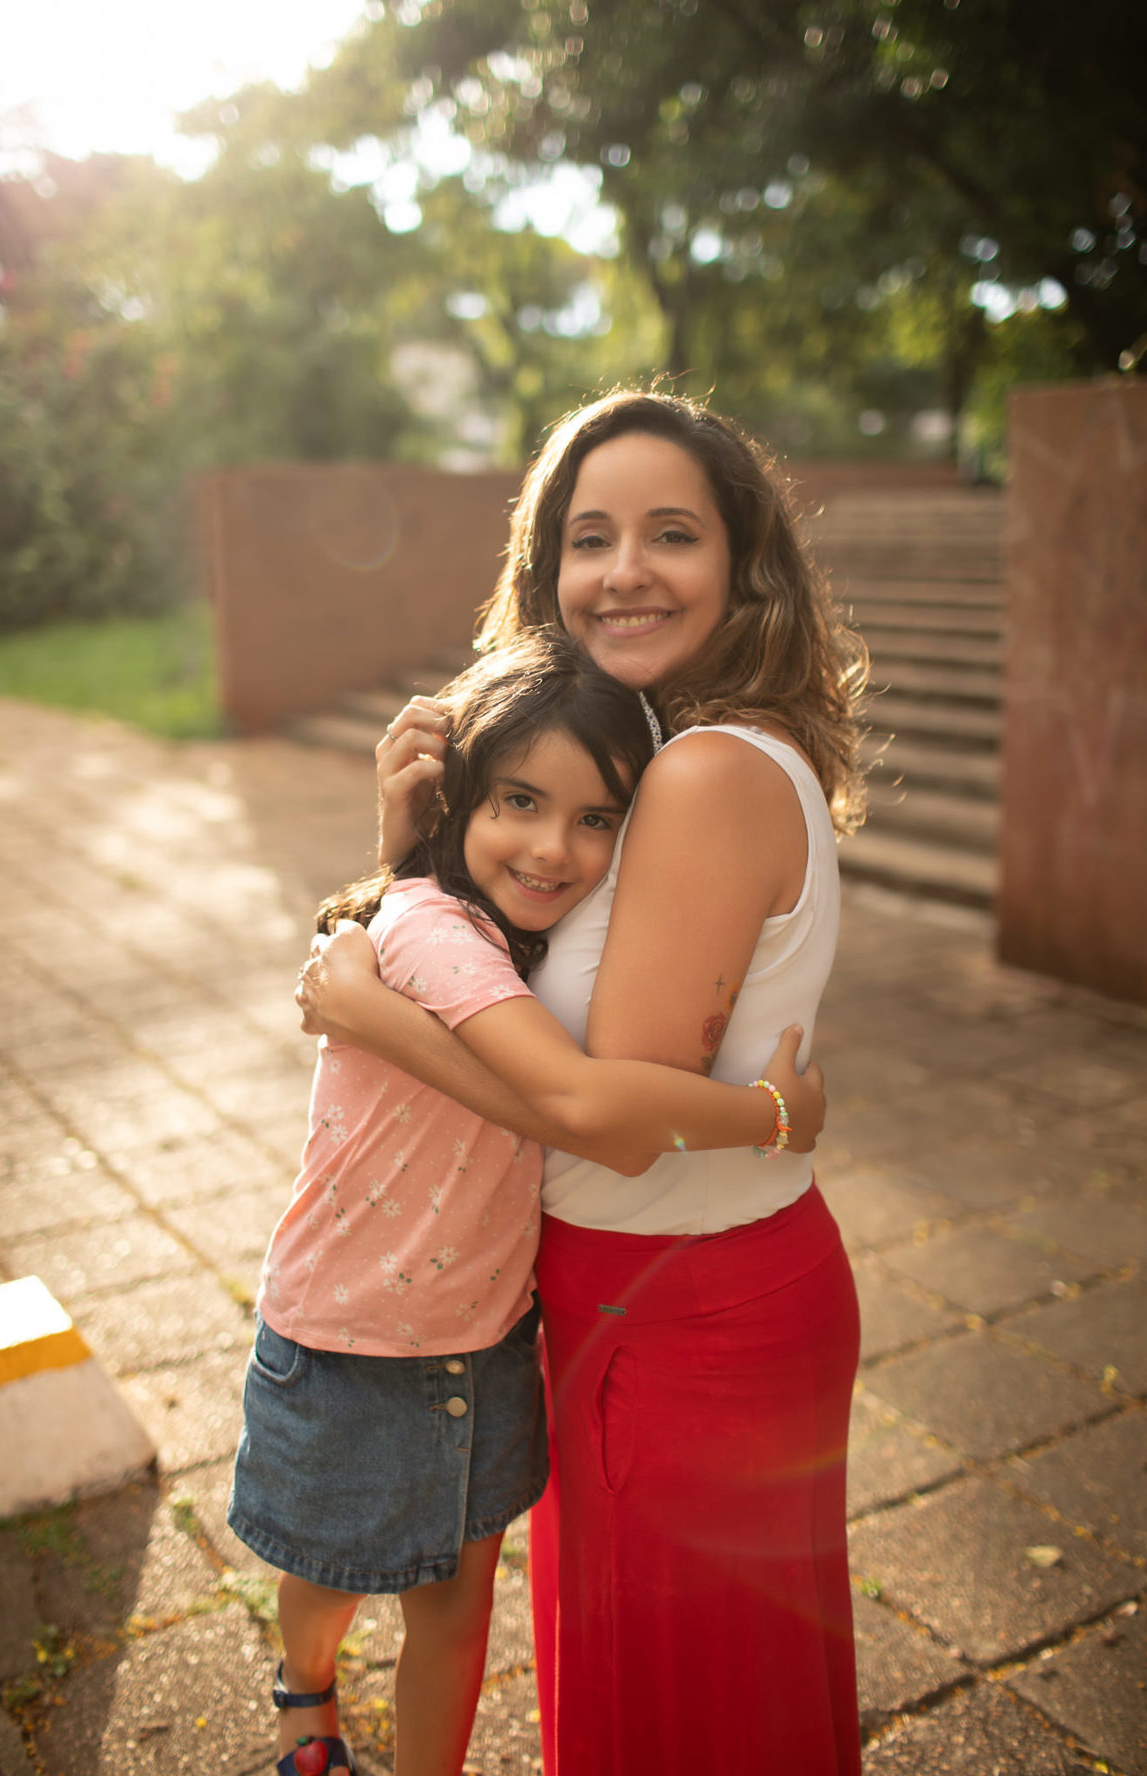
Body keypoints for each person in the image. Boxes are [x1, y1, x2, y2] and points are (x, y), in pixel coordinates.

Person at [299, 389, 867, 1774]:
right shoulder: (651, 757)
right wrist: (409, 861)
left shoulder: (704, 774)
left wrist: (365, 1013)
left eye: (672, 533)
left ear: (744, 561)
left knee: (684, 1719)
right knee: (669, 1701)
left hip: (682, 1309)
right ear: (546, 564)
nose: (625, 571)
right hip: (640, 1291)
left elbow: (606, 1119)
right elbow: (501, 972)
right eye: (590, 537)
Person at [231, 627, 827, 1776]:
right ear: (460, 798)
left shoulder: (523, 942)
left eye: (597, 817)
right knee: (328, 1573)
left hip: (486, 1337)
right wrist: (772, 1114)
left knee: (455, 1611)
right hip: (352, 1338)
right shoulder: (433, 931)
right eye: (519, 801)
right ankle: (306, 1688)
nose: (555, 847)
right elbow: (583, 1107)